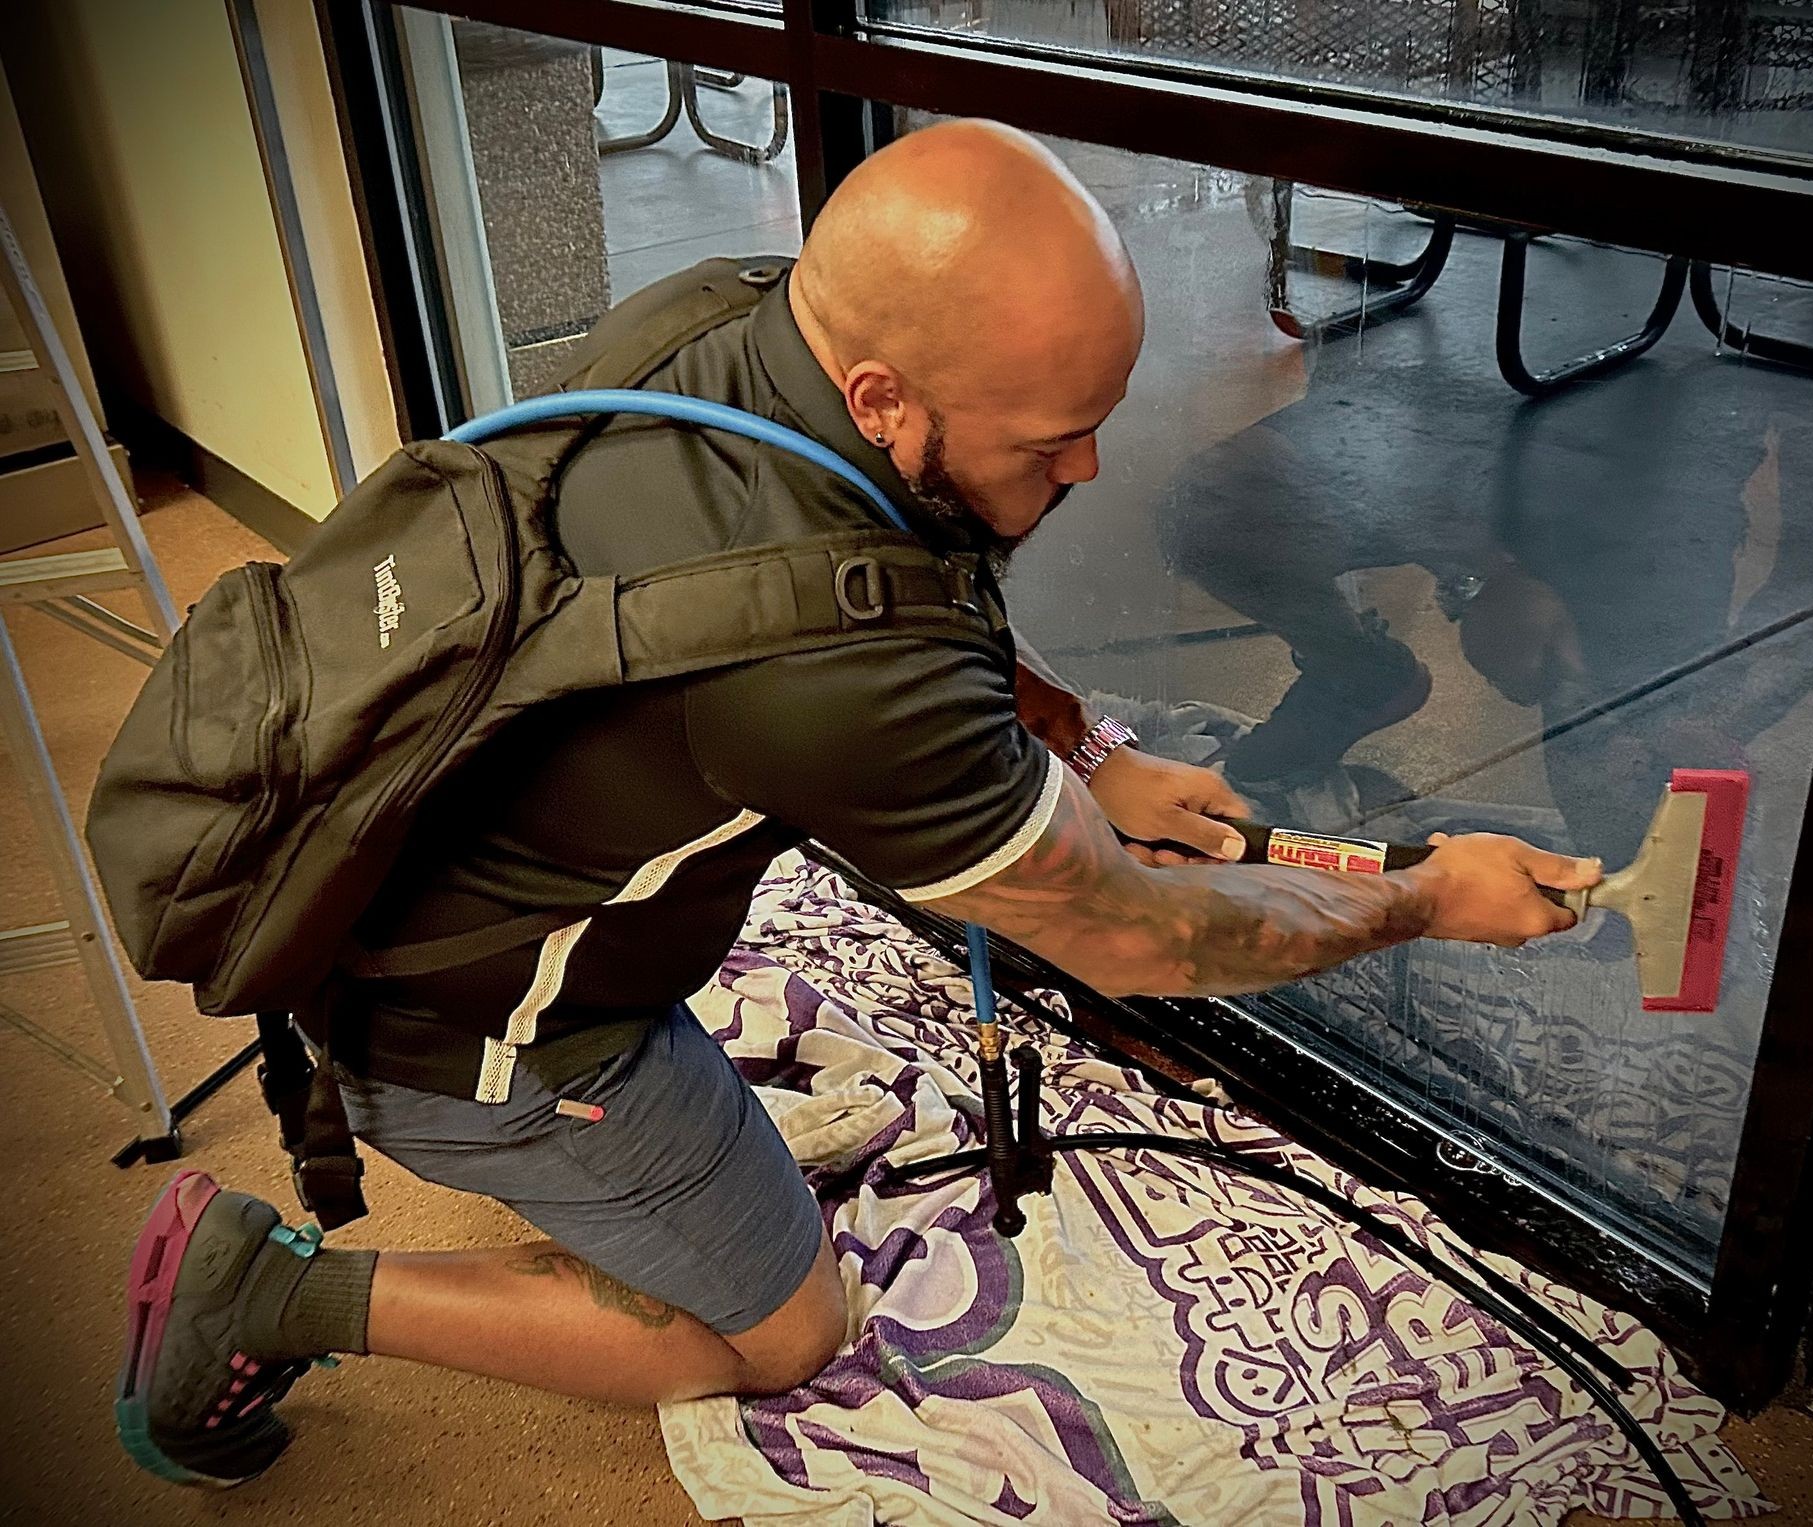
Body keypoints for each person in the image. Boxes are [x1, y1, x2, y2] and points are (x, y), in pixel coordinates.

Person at [119, 119, 1599, 1488]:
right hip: (483, 1036)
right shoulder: (830, 675)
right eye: (1046, 443)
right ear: (885, 395)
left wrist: (1087, 754)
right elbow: (1145, 942)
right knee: (785, 1338)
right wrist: (1423, 896)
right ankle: (274, 1285)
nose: (1086, 470)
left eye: (1096, 423)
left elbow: (900, 569)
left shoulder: (730, 316)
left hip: (432, 871)